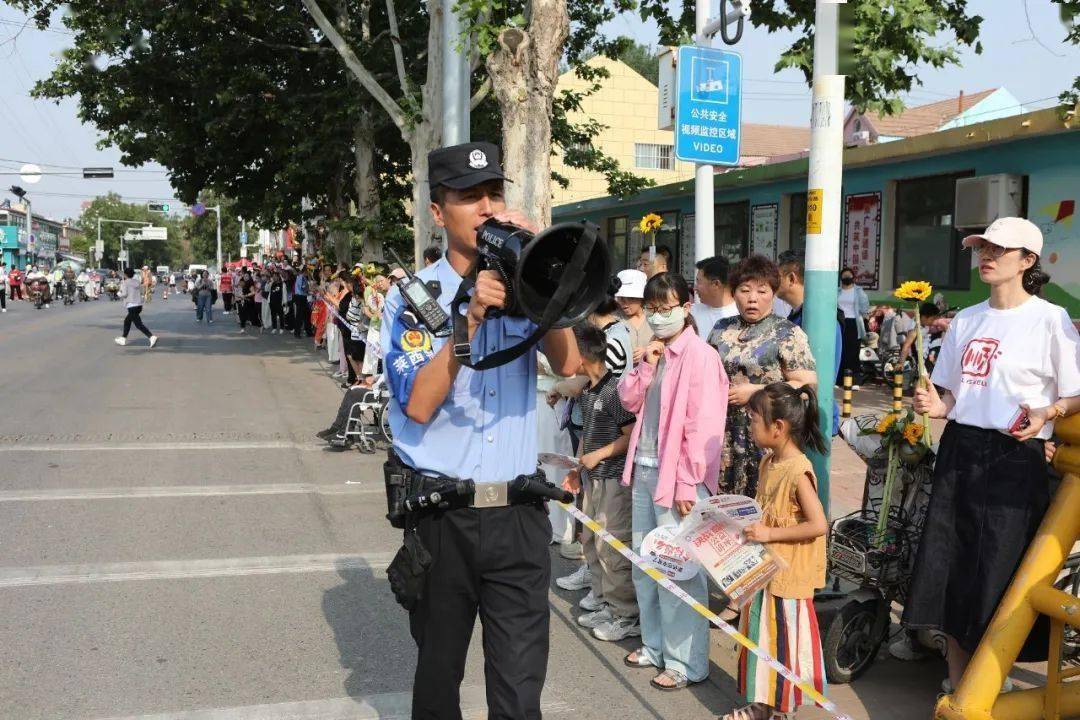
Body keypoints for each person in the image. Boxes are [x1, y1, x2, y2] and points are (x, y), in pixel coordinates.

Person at [380, 141, 579, 718]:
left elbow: (569, 365)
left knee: (520, 692)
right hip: (444, 517)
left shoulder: (524, 282)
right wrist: (467, 321)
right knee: (438, 680)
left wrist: (543, 272)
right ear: (439, 213)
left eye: (494, 194)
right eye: (470, 198)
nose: (487, 207)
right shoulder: (413, 298)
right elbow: (418, 405)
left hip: (519, 516)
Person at [904, 217, 1080, 693]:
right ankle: (958, 678)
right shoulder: (966, 317)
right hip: (960, 450)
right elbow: (951, 398)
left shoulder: (1050, 319)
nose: (986, 256)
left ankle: (992, 675)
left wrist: (1049, 412)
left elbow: (1075, 394)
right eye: (982, 248)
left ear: (1027, 261)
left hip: (1014, 457)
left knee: (1000, 567)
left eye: (999, 250)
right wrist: (934, 405)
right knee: (951, 562)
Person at [618, 271, 728, 691]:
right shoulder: (654, 353)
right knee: (646, 564)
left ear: (686, 307)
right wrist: (644, 364)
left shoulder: (701, 356)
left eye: (667, 308)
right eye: (652, 309)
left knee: (678, 569)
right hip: (645, 469)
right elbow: (628, 400)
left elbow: (702, 427)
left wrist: (688, 483)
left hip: (677, 479)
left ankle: (686, 662)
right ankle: (655, 646)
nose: (659, 316)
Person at [726, 383, 829, 720]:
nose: (750, 427)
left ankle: (781, 709)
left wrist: (770, 532)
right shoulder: (768, 463)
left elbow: (818, 524)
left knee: (784, 645)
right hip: (765, 574)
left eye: (754, 421)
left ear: (778, 427)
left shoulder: (798, 471)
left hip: (788, 578)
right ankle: (761, 704)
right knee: (760, 638)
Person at [709, 255, 818, 498]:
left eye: (762, 290)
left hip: (768, 434)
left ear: (773, 292)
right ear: (734, 292)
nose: (752, 298)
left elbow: (806, 386)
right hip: (722, 433)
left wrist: (759, 391)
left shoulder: (787, 333)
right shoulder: (721, 329)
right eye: (744, 290)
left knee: (765, 504)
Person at [562, 324, 640, 642]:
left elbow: (629, 435)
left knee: (613, 546)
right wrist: (577, 467)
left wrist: (599, 456)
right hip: (593, 478)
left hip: (613, 479)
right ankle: (606, 600)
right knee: (591, 543)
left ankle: (626, 615)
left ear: (581, 356)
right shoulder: (589, 390)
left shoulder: (613, 391)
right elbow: (586, 438)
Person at [776, 250, 843, 434]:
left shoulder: (817, 320)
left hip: (811, 417)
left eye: (776, 276)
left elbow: (818, 376)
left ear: (791, 278)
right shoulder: (799, 315)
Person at [837, 266, 870, 387]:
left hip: (854, 323)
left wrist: (866, 317)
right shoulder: (837, 291)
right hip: (840, 322)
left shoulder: (859, 292)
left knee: (853, 352)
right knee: (841, 350)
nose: (846, 278)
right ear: (841, 278)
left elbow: (865, 308)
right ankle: (839, 380)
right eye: (844, 276)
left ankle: (854, 381)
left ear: (853, 278)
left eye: (849, 276)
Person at [690, 255, 738, 336]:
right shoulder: (691, 313)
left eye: (699, 281)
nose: (695, 288)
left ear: (716, 284)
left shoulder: (741, 314)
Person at [615, 269, 652, 364]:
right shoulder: (613, 318)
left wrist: (647, 351)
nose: (623, 303)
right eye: (621, 298)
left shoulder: (654, 316)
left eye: (630, 298)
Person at [115, 267, 158, 348]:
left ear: (125, 274)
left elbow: (124, 294)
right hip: (138, 305)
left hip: (131, 306)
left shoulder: (125, 282)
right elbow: (141, 291)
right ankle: (123, 338)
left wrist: (118, 294)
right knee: (127, 321)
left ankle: (151, 337)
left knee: (138, 324)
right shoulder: (137, 282)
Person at [361, 271, 388, 384]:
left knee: (382, 353)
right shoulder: (370, 292)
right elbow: (366, 309)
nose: (380, 283)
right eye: (378, 281)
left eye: (382, 281)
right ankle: (372, 377)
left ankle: (382, 377)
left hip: (385, 328)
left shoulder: (388, 293)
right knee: (373, 352)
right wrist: (373, 316)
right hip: (374, 328)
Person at [897, 302, 942, 368]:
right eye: (932, 319)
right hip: (921, 363)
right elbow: (906, 345)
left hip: (926, 358)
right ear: (924, 317)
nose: (933, 321)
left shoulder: (924, 325)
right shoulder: (915, 328)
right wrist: (901, 364)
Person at [293, 266, 312, 337]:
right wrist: (309, 291)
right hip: (300, 297)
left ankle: (308, 331)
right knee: (300, 315)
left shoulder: (301, 277)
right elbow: (303, 287)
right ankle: (297, 332)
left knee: (306, 314)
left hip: (302, 297)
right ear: (305, 271)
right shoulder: (302, 277)